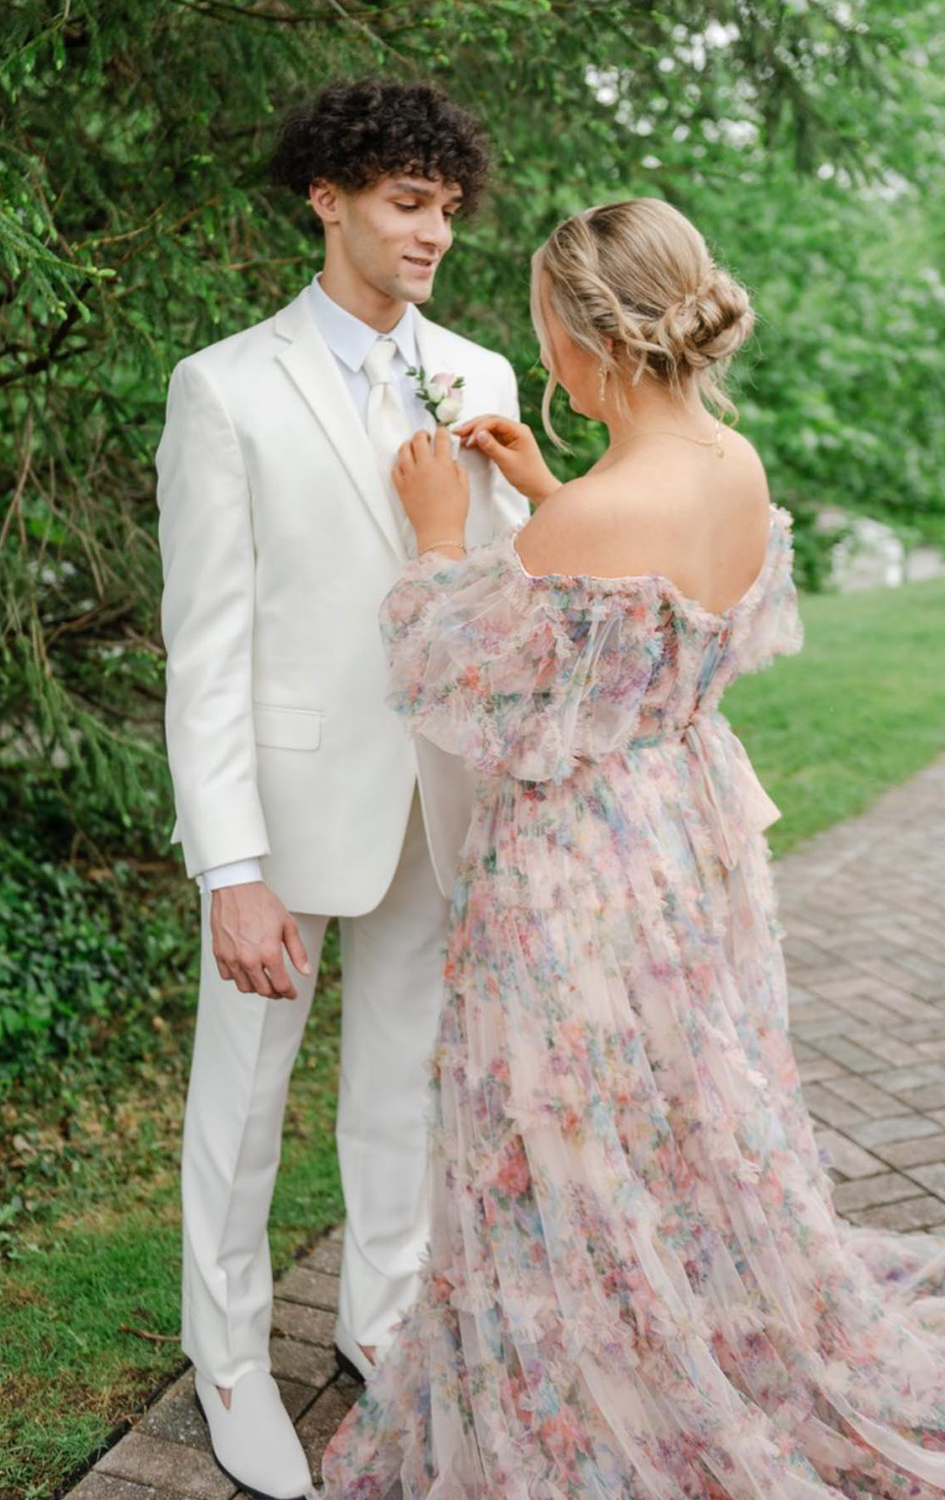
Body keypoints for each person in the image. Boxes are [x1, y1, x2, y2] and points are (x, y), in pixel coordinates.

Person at [316, 198, 945, 1500]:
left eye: (545, 330)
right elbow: (651, 626)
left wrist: (442, 537)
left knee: (567, 1137)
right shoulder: (731, 469)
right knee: (680, 1118)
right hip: (684, 847)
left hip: (579, 867)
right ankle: (699, 1329)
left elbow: (459, 684)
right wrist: (543, 488)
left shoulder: (585, 529)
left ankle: (602, 1385)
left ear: (588, 342)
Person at [154, 77, 529, 1500]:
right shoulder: (225, 387)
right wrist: (228, 866)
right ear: (329, 198)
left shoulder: (482, 378)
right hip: (292, 808)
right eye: (403, 202)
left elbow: (493, 601)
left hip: (440, 796)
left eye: (444, 206)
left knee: (407, 1078)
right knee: (240, 1097)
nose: (431, 231)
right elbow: (211, 653)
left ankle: (382, 1323)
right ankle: (233, 1359)